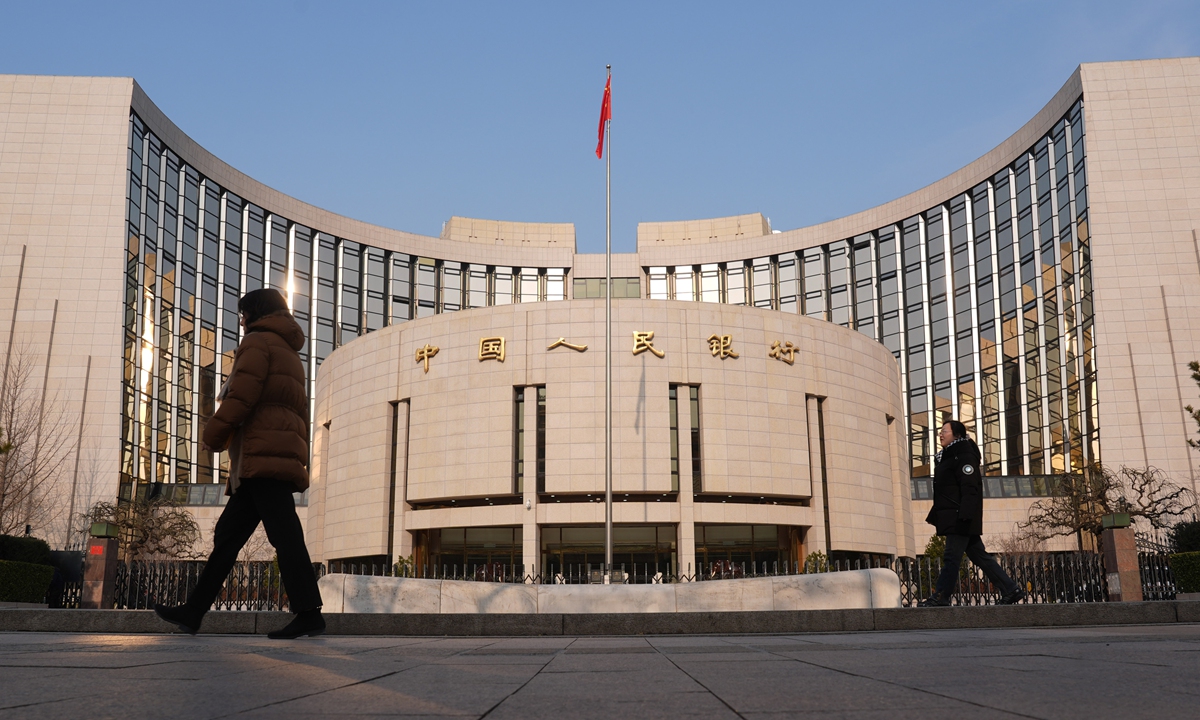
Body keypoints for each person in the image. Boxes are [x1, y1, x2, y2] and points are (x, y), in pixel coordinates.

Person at [155, 288, 325, 638]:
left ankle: (309, 612)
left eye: (243, 313)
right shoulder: (289, 351)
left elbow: (243, 394)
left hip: (262, 457)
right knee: (229, 536)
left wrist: (213, 436)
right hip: (272, 455)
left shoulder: (258, 343)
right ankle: (193, 612)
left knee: (285, 536)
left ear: (256, 313)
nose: (241, 320)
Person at [918, 420, 1027, 607]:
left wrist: (965, 516)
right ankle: (1011, 589)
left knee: (951, 557)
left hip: (960, 517)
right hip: (958, 515)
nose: (940, 435)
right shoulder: (951, 455)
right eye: (940, 431)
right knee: (979, 556)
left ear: (957, 435)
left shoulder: (963, 455)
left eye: (945, 431)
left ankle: (941, 596)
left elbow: (970, 488)